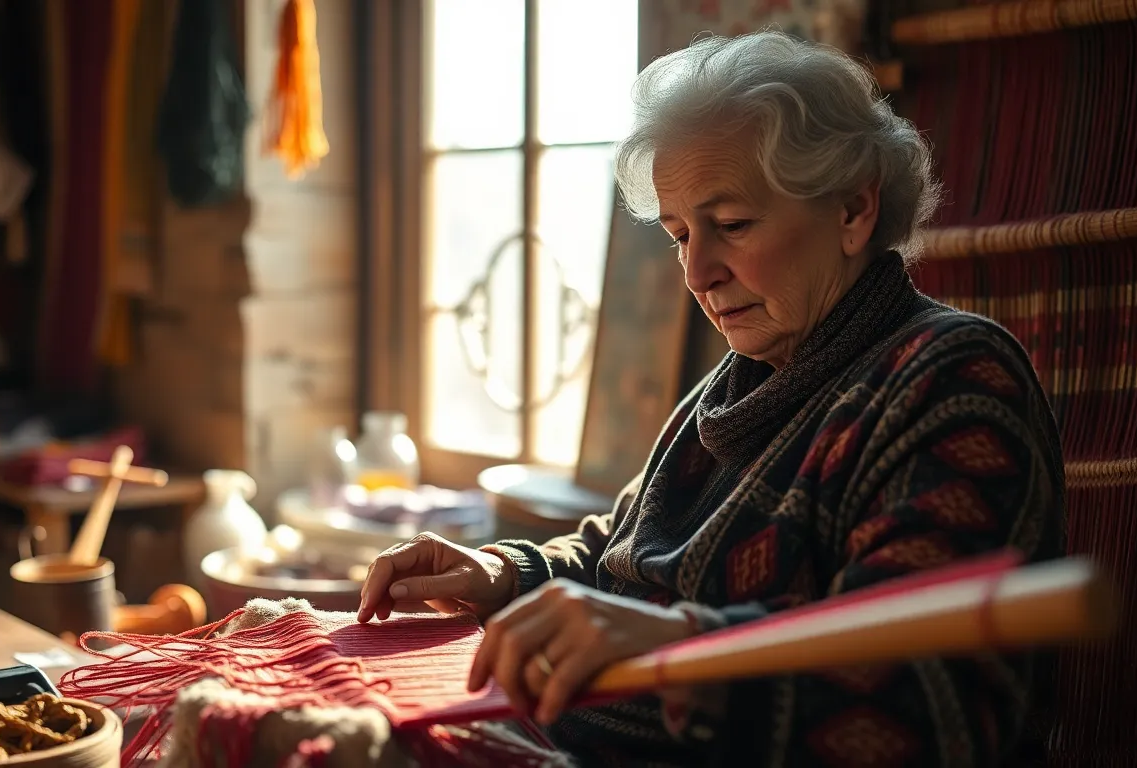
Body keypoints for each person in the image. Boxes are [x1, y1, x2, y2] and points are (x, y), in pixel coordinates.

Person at [358, 30, 1064, 767]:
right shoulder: (738, 382)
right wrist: (500, 573)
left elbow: (931, 698)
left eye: (731, 225)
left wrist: (683, 647)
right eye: (679, 234)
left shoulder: (949, 379)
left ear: (854, 210)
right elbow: (621, 554)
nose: (697, 272)